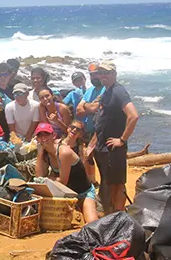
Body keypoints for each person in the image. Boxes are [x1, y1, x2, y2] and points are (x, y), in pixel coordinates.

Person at [94, 61, 139, 213]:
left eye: (107, 72)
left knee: (117, 184)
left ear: (114, 74)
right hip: (103, 148)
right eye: (101, 72)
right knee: (109, 182)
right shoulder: (106, 92)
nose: (103, 75)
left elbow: (133, 116)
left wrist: (122, 140)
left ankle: (117, 215)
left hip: (113, 149)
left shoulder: (119, 91)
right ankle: (113, 213)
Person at [35, 122, 98, 224]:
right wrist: (39, 153)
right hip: (67, 195)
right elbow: (38, 178)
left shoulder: (63, 152)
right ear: (37, 139)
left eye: (46, 134)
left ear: (53, 135)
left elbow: (63, 181)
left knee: (92, 224)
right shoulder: (45, 154)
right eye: (40, 135)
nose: (43, 138)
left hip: (83, 193)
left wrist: (48, 178)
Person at [76, 62, 105, 186]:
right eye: (91, 75)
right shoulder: (90, 90)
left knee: (102, 161)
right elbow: (79, 110)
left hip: (101, 132)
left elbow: (94, 108)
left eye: (96, 74)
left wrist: (87, 106)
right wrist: (91, 107)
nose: (94, 77)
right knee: (88, 159)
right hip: (88, 131)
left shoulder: (106, 88)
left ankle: (106, 188)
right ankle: (93, 182)